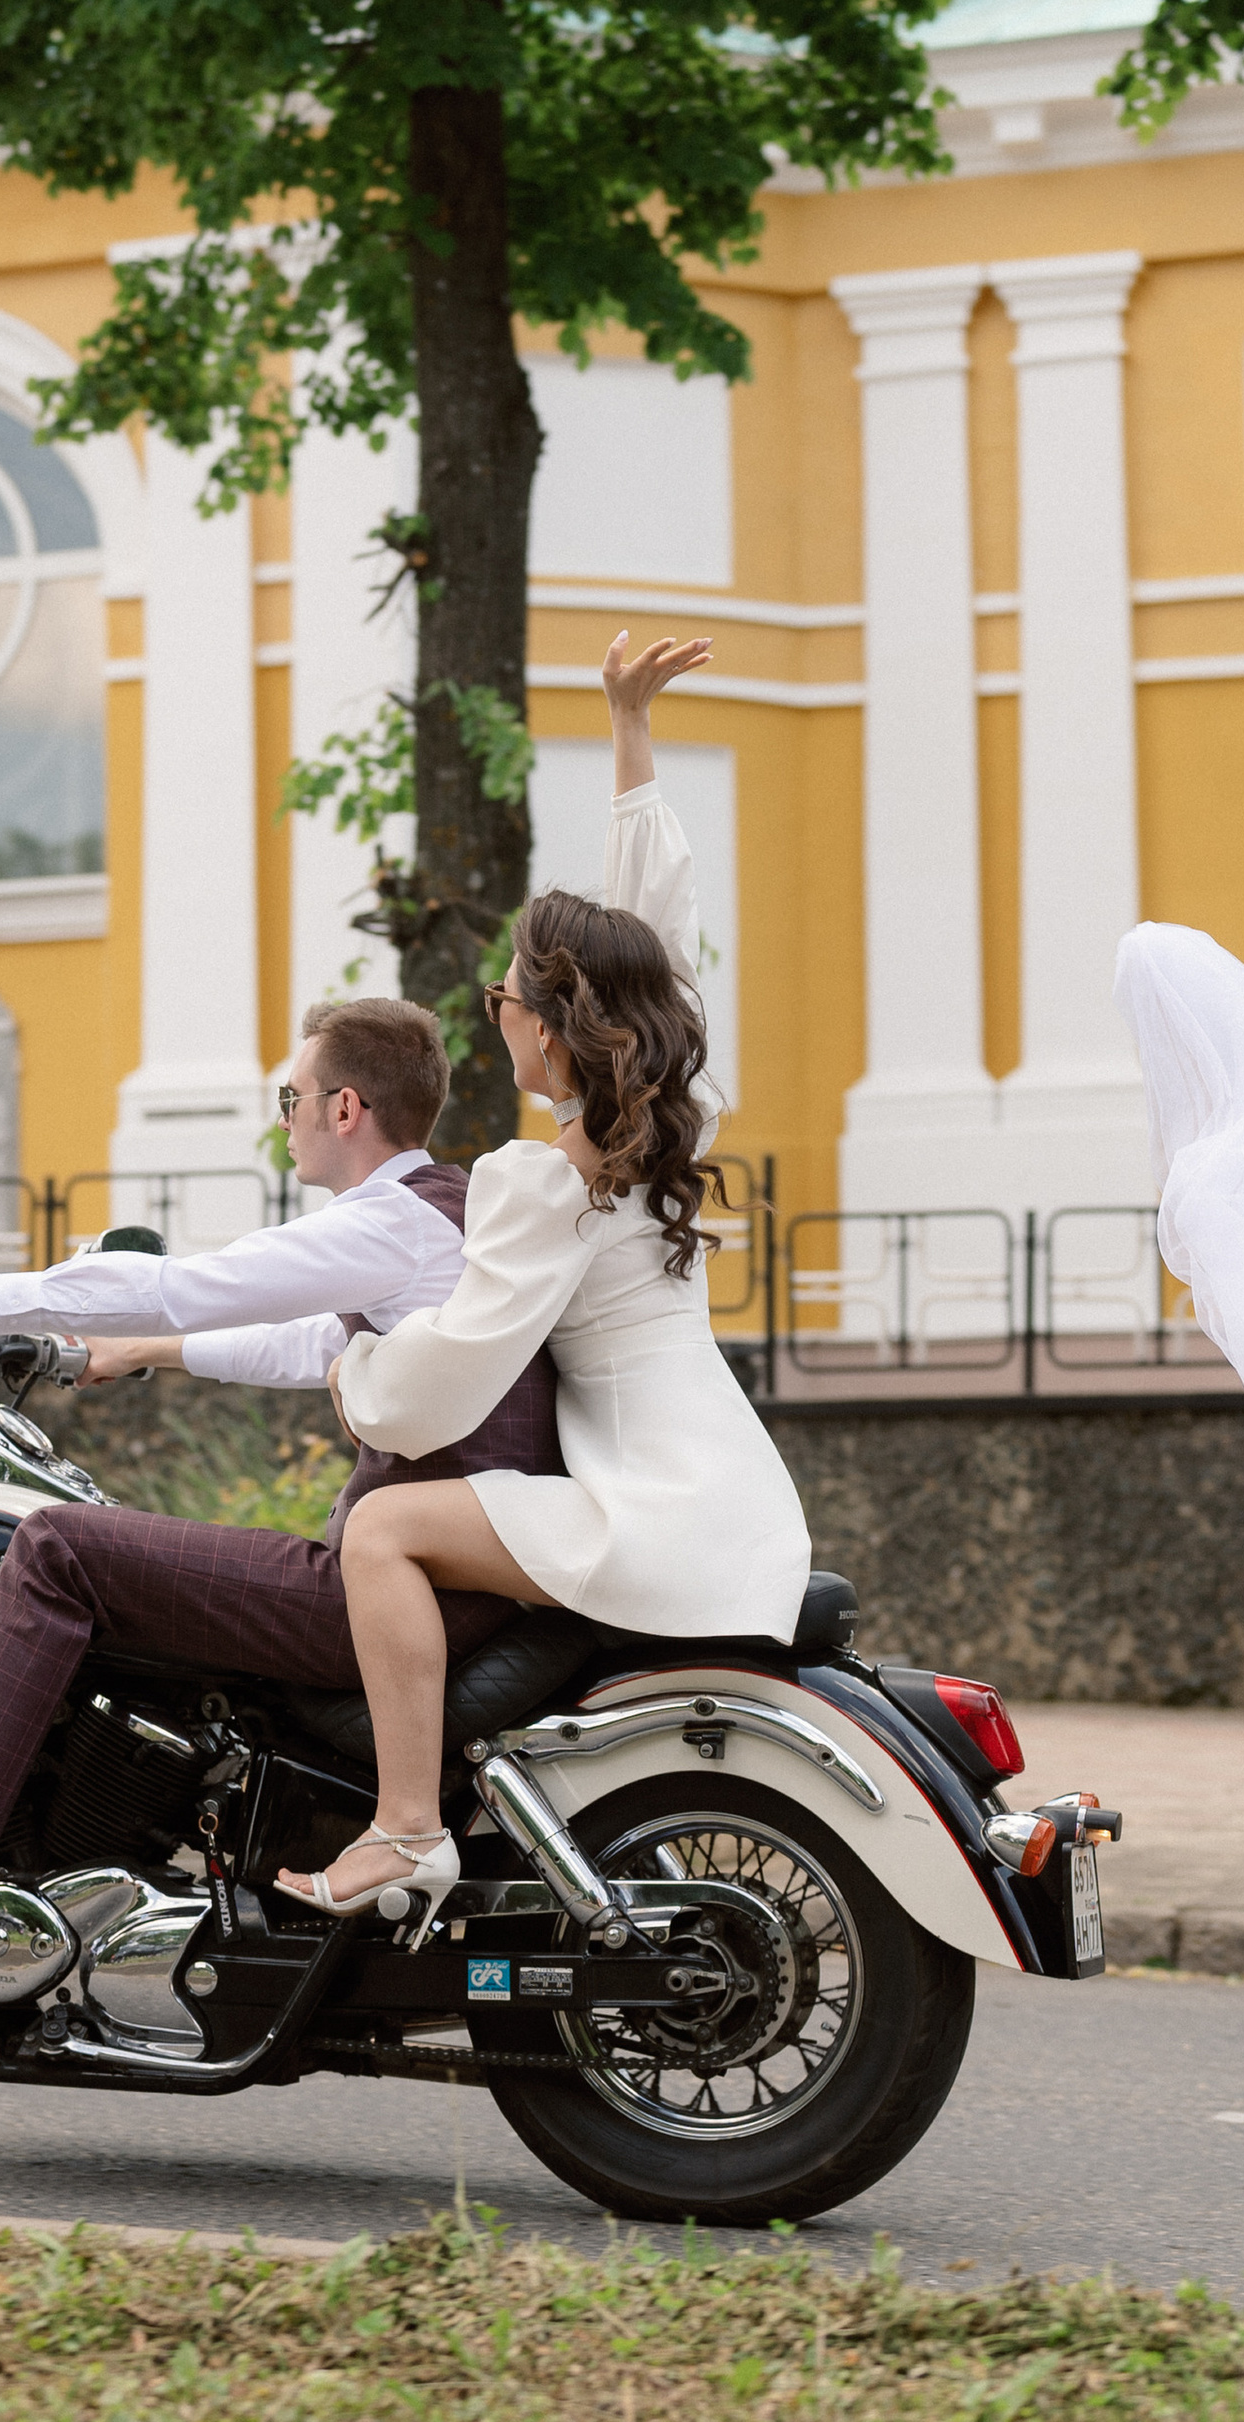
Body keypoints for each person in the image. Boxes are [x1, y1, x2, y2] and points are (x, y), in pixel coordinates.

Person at [0, 994, 567, 1973]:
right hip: (449, 1582)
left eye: (291, 1097)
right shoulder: (438, 1211)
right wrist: (144, 1351)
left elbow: (185, 1284)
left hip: (398, 1596)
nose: (283, 1117)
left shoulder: (388, 1222)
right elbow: (310, 1341)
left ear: (345, 1109)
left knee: (56, 1547)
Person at [273, 631, 813, 1917]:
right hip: (738, 1502)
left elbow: (442, 1389)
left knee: (383, 1527)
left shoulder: (538, 1182)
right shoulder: (673, 1116)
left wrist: (353, 1368)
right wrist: (629, 737)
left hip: (653, 1517)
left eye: (503, 992)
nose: (494, 1005)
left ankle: (406, 1830)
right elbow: (660, 943)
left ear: (550, 1027)